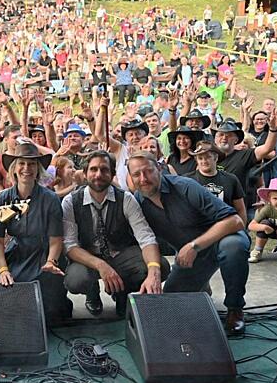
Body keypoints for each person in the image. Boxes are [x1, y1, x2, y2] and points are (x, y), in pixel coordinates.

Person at [128, 151, 250, 335]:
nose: (143, 178)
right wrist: (153, 271)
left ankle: (235, 309)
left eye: (148, 171)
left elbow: (235, 221)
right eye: (137, 174)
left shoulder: (185, 186)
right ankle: (201, 284)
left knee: (234, 246)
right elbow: (146, 240)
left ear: (159, 169)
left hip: (218, 241)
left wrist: (195, 245)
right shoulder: (137, 202)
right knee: (170, 303)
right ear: (130, 178)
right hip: (190, 259)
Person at [62, 151, 169, 318]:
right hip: (88, 258)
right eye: (93, 169)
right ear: (85, 174)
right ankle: (92, 293)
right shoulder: (70, 202)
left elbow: (146, 237)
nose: (98, 174)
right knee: (76, 279)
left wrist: (154, 270)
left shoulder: (126, 199)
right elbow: (70, 246)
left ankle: (123, 293)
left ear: (112, 174)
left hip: (120, 254)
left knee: (160, 265)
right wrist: (101, 265)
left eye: (104, 170)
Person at [0, 142, 71, 325]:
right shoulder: (4, 198)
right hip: (17, 251)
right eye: (22, 163)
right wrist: (3, 270)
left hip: (43, 253)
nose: (26, 168)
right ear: (14, 168)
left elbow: (56, 239)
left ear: (38, 169)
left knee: (47, 305)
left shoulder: (50, 199)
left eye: (32, 164)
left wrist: (51, 262)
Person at [187, 141, 247, 226]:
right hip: (197, 228)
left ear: (216, 158)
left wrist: (241, 230)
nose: (204, 161)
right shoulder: (187, 180)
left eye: (208, 157)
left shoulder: (231, 179)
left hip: (225, 226)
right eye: (200, 158)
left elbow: (240, 209)